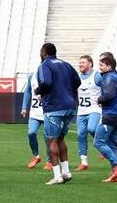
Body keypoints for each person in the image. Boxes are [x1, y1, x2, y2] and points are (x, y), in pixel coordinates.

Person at [34, 42, 80, 185]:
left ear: (44, 53)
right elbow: (77, 81)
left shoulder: (44, 65)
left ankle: (57, 175)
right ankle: (66, 172)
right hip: (70, 106)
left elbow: (46, 82)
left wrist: (38, 91)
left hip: (54, 106)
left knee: (51, 140)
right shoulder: (66, 64)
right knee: (60, 139)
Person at [94, 52, 117, 182]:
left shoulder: (109, 78)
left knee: (98, 142)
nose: (100, 67)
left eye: (101, 65)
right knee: (112, 144)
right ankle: (116, 174)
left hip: (110, 115)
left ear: (109, 67)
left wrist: (99, 99)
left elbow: (108, 95)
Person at [74, 55, 101, 171]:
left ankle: (102, 145)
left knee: (92, 129)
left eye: (83, 63)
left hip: (95, 109)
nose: (80, 65)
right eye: (79, 63)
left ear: (90, 64)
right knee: (80, 134)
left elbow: (106, 87)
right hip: (81, 110)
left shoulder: (97, 76)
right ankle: (83, 161)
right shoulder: (77, 77)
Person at [20, 71, 48, 169]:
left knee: (47, 136)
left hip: (47, 112)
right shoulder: (32, 76)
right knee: (31, 133)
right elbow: (28, 91)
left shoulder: (50, 76)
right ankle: (36, 156)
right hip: (34, 112)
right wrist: (24, 107)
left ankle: (50, 161)